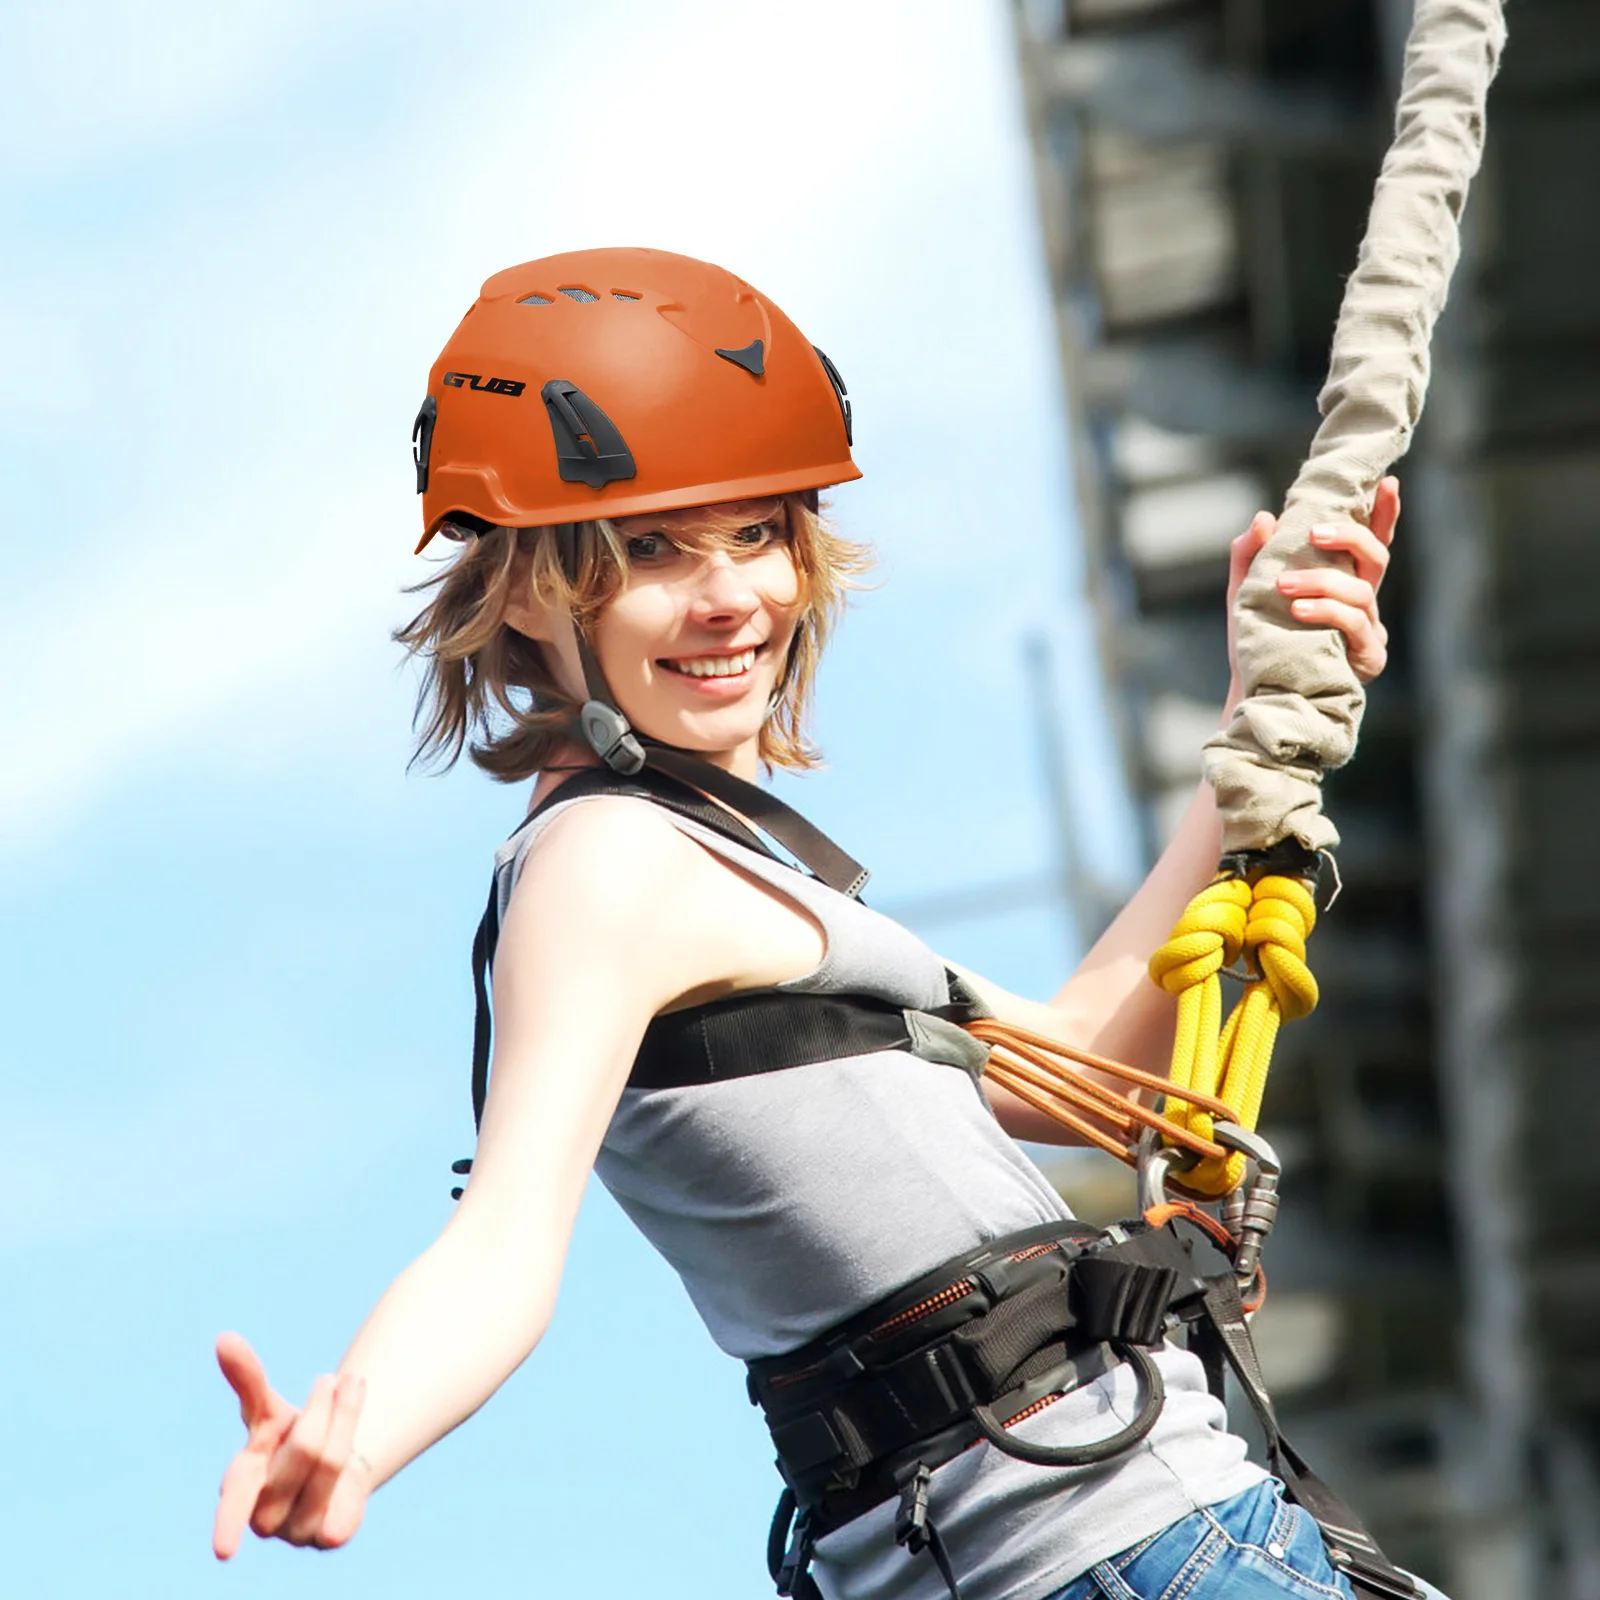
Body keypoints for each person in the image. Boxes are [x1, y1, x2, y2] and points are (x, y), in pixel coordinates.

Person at [212, 249, 1405, 1600]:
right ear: (533, 587)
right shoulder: (605, 869)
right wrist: (357, 1430)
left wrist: (1248, 734)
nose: (731, 597)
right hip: (1116, 1548)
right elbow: (502, 1238)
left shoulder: (718, 871)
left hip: (1083, 1541)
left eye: (758, 535)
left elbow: (1086, 1072)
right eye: (653, 548)